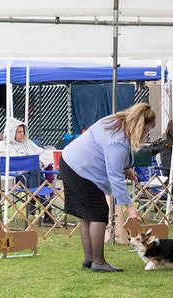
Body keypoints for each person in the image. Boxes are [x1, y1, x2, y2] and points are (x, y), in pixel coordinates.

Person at [59, 103, 156, 273]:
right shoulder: (118, 142)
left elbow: (109, 154)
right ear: (140, 126)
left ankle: (89, 259)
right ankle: (98, 262)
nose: (145, 134)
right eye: (146, 130)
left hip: (71, 161)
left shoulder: (116, 120)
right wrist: (130, 207)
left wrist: (126, 168)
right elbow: (115, 177)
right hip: (81, 169)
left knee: (87, 214)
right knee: (98, 213)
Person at [0, 117, 55, 224]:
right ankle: (46, 211)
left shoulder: (27, 143)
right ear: (12, 132)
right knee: (38, 178)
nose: (22, 134)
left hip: (32, 175)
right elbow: (0, 161)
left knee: (36, 170)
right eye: (19, 132)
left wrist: (40, 162)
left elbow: (46, 154)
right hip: (16, 177)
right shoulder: (4, 146)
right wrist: (24, 161)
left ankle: (32, 200)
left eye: (23, 131)